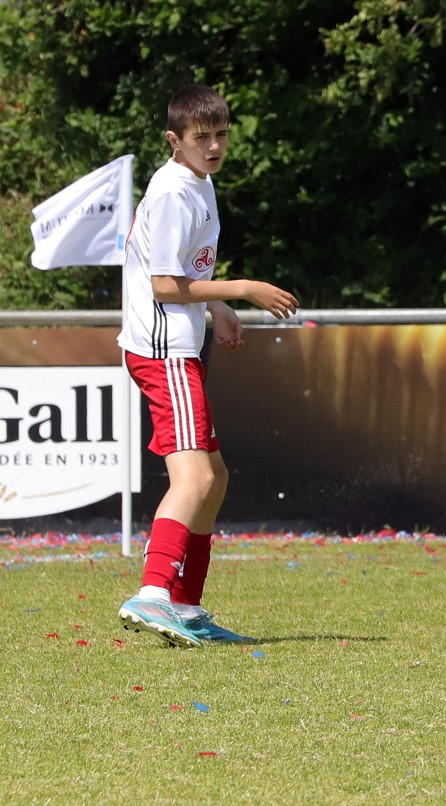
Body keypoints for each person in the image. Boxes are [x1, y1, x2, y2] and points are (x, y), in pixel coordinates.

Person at [115, 84, 299, 648]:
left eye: (221, 134)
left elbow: (180, 271)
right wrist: (241, 289)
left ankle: (187, 607)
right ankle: (152, 594)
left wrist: (216, 308)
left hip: (177, 345)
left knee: (214, 479)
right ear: (174, 140)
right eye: (202, 137)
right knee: (194, 478)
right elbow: (164, 285)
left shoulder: (198, 181)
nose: (215, 146)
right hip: (163, 350)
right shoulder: (175, 191)